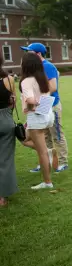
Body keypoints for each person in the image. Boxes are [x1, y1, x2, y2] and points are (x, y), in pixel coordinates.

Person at [20, 42, 68, 173]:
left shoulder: (48, 67)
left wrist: (36, 99)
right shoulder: (34, 68)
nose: (26, 54)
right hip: (40, 104)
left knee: (56, 133)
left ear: (38, 54)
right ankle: (46, 161)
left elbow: (52, 87)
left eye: (28, 52)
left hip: (51, 104)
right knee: (43, 136)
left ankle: (63, 162)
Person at [20, 52, 55, 190]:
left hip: (37, 117)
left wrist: (31, 107)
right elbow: (47, 94)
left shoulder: (26, 81)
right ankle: (49, 152)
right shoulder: (42, 78)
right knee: (24, 138)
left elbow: (30, 100)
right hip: (47, 114)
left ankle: (47, 182)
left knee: (42, 152)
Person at [0, 54, 17, 206]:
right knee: (5, 159)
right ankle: (2, 197)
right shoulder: (8, 80)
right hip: (5, 118)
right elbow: (13, 102)